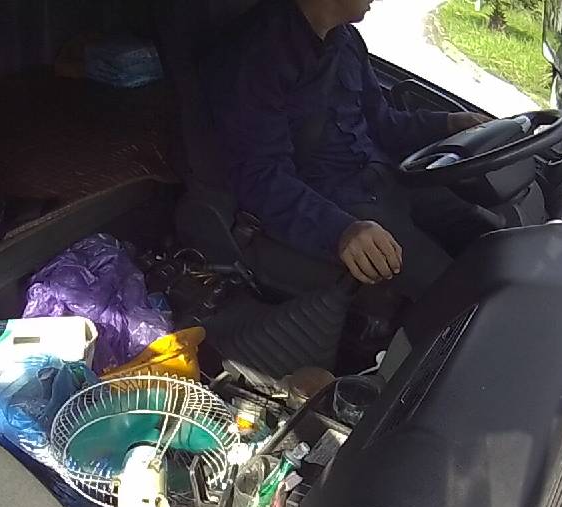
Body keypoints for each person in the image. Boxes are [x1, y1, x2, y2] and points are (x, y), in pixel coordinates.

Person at [202, 0, 490, 296]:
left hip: (388, 177)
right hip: (334, 204)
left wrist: (450, 123)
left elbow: (383, 123)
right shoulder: (256, 56)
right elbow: (261, 176)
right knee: (461, 294)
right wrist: (340, 231)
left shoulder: (346, 39)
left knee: (492, 238)